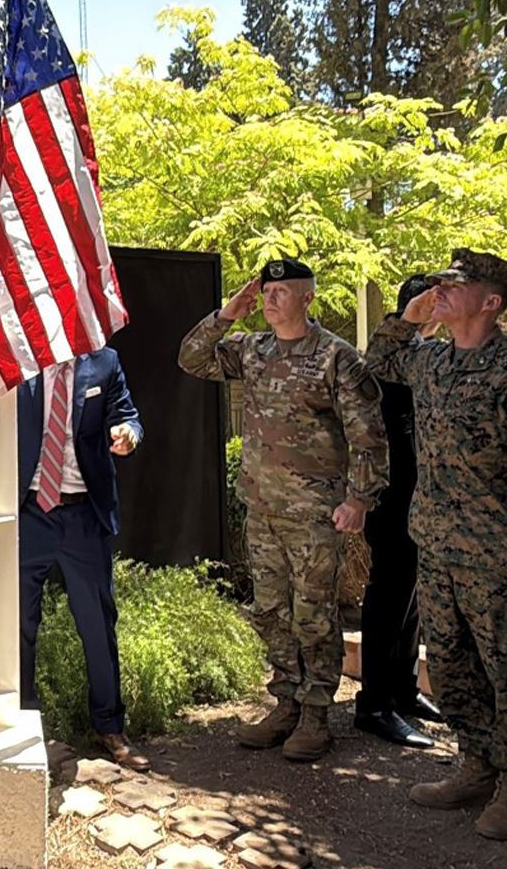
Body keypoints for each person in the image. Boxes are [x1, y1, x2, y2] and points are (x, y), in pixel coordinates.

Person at [367, 249, 507, 841]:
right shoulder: (432, 361)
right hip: (437, 548)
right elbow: (379, 361)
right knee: (452, 666)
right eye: (440, 281)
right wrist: (407, 318)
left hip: (500, 558)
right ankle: (476, 765)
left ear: (491, 301)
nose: (441, 290)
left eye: (455, 285)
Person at [179, 258, 388, 762]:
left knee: (314, 613)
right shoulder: (254, 349)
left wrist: (359, 499)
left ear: (307, 298)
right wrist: (227, 314)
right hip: (263, 508)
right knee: (271, 611)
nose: (270, 299)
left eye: (282, 292)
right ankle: (286, 703)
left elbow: (368, 435)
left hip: (315, 513)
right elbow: (191, 358)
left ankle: (316, 714)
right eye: (266, 292)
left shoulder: (336, 358)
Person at [16, 349, 148, 770]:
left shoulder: (104, 363)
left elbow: (129, 417)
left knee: (97, 624)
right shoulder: (20, 360)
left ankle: (110, 726)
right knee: (18, 623)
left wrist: (128, 434)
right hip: (29, 512)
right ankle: (23, 726)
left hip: (83, 515)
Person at [354, 275, 444, 749]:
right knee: (388, 597)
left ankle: (404, 691)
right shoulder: (389, 359)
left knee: (412, 600)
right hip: (390, 497)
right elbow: (376, 367)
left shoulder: (431, 357)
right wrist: (407, 322)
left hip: (424, 500)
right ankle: (374, 704)